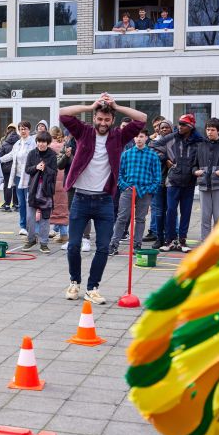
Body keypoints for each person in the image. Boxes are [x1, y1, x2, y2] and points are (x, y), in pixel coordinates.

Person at [60, 93, 146, 305]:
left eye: (107, 120)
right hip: (80, 198)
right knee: (73, 245)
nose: (103, 123)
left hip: (104, 200)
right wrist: (91, 106)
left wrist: (116, 105)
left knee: (103, 247)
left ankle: (92, 288)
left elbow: (141, 118)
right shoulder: (84, 132)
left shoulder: (118, 136)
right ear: (95, 118)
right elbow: (63, 114)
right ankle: (74, 282)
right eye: (99, 119)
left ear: (112, 121)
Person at [151, 114, 203, 253]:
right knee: (171, 211)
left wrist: (197, 169)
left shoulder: (199, 141)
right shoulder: (172, 136)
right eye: (179, 123)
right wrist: (165, 158)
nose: (180, 126)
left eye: (183, 124)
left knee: (186, 212)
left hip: (189, 182)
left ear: (191, 126)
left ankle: (182, 241)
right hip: (173, 181)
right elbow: (153, 145)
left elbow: (203, 157)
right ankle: (169, 241)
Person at [108, 130, 162, 256]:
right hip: (128, 190)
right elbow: (119, 173)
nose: (138, 139)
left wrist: (149, 189)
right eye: (136, 136)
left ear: (146, 138)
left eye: (141, 136)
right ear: (133, 138)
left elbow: (157, 177)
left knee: (140, 219)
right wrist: (125, 186)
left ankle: (137, 244)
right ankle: (114, 244)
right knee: (122, 217)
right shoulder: (126, 154)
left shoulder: (152, 155)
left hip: (145, 191)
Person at [193, 117, 219, 241]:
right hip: (203, 185)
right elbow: (194, 165)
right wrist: (195, 171)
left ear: (218, 131)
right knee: (205, 217)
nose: (209, 132)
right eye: (207, 129)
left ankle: (217, 244)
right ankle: (205, 243)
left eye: (212, 130)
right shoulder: (201, 145)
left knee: (218, 218)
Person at [21, 132, 58, 254]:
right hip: (33, 189)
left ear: (48, 143)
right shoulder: (32, 153)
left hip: (46, 190)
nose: (41, 144)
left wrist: (45, 168)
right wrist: (36, 167)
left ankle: (44, 243)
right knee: (30, 218)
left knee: (45, 219)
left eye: (44, 142)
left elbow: (54, 172)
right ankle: (31, 239)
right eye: (39, 141)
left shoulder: (52, 154)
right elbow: (27, 169)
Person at [1, 120, 36, 236]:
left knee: (30, 202)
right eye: (21, 129)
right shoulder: (17, 144)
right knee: (21, 202)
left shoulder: (33, 142)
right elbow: (10, 156)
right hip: (18, 176)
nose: (23, 131)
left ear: (29, 130)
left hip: (30, 176)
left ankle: (32, 226)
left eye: (25, 129)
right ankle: (23, 226)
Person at [150, 120, 174, 249]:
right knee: (159, 212)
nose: (164, 129)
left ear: (171, 129)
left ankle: (170, 237)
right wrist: (167, 157)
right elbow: (154, 156)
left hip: (173, 182)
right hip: (158, 181)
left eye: (167, 127)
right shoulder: (153, 142)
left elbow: (178, 158)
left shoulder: (177, 142)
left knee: (171, 210)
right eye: (162, 127)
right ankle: (159, 237)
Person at [48, 127, 69, 243]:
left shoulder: (49, 146)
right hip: (64, 178)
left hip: (53, 179)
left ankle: (40, 234)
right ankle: (64, 234)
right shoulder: (65, 145)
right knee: (63, 206)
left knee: (53, 206)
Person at [0, 123, 20, 212]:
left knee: (8, 185)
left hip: (6, 167)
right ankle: (16, 204)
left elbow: (0, 154)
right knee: (16, 186)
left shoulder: (4, 142)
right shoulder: (19, 142)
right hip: (17, 167)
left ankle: (7, 204)